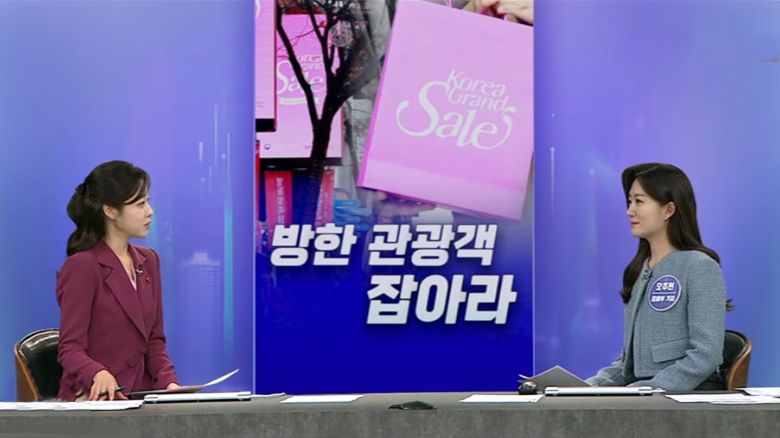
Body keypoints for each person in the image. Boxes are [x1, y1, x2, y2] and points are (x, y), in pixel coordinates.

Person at [585, 163, 727, 391]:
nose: (630, 211)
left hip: (687, 394)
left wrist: (646, 390)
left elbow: (705, 356)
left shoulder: (700, 266)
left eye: (639, 201)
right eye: (630, 201)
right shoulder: (639, 269)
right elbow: (627, 364)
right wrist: (585, 388)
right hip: (645, 393)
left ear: (668, 210)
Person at [57, 160, 180, 401]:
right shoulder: (82, 267)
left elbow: (154, 341)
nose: (150, 211)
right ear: (111, 211)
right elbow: (69, 349)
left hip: (142, 397)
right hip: (95, 400)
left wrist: (169, 383)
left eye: (148, 201)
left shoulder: (149, 260)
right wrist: (97, 373)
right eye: (140, 204)